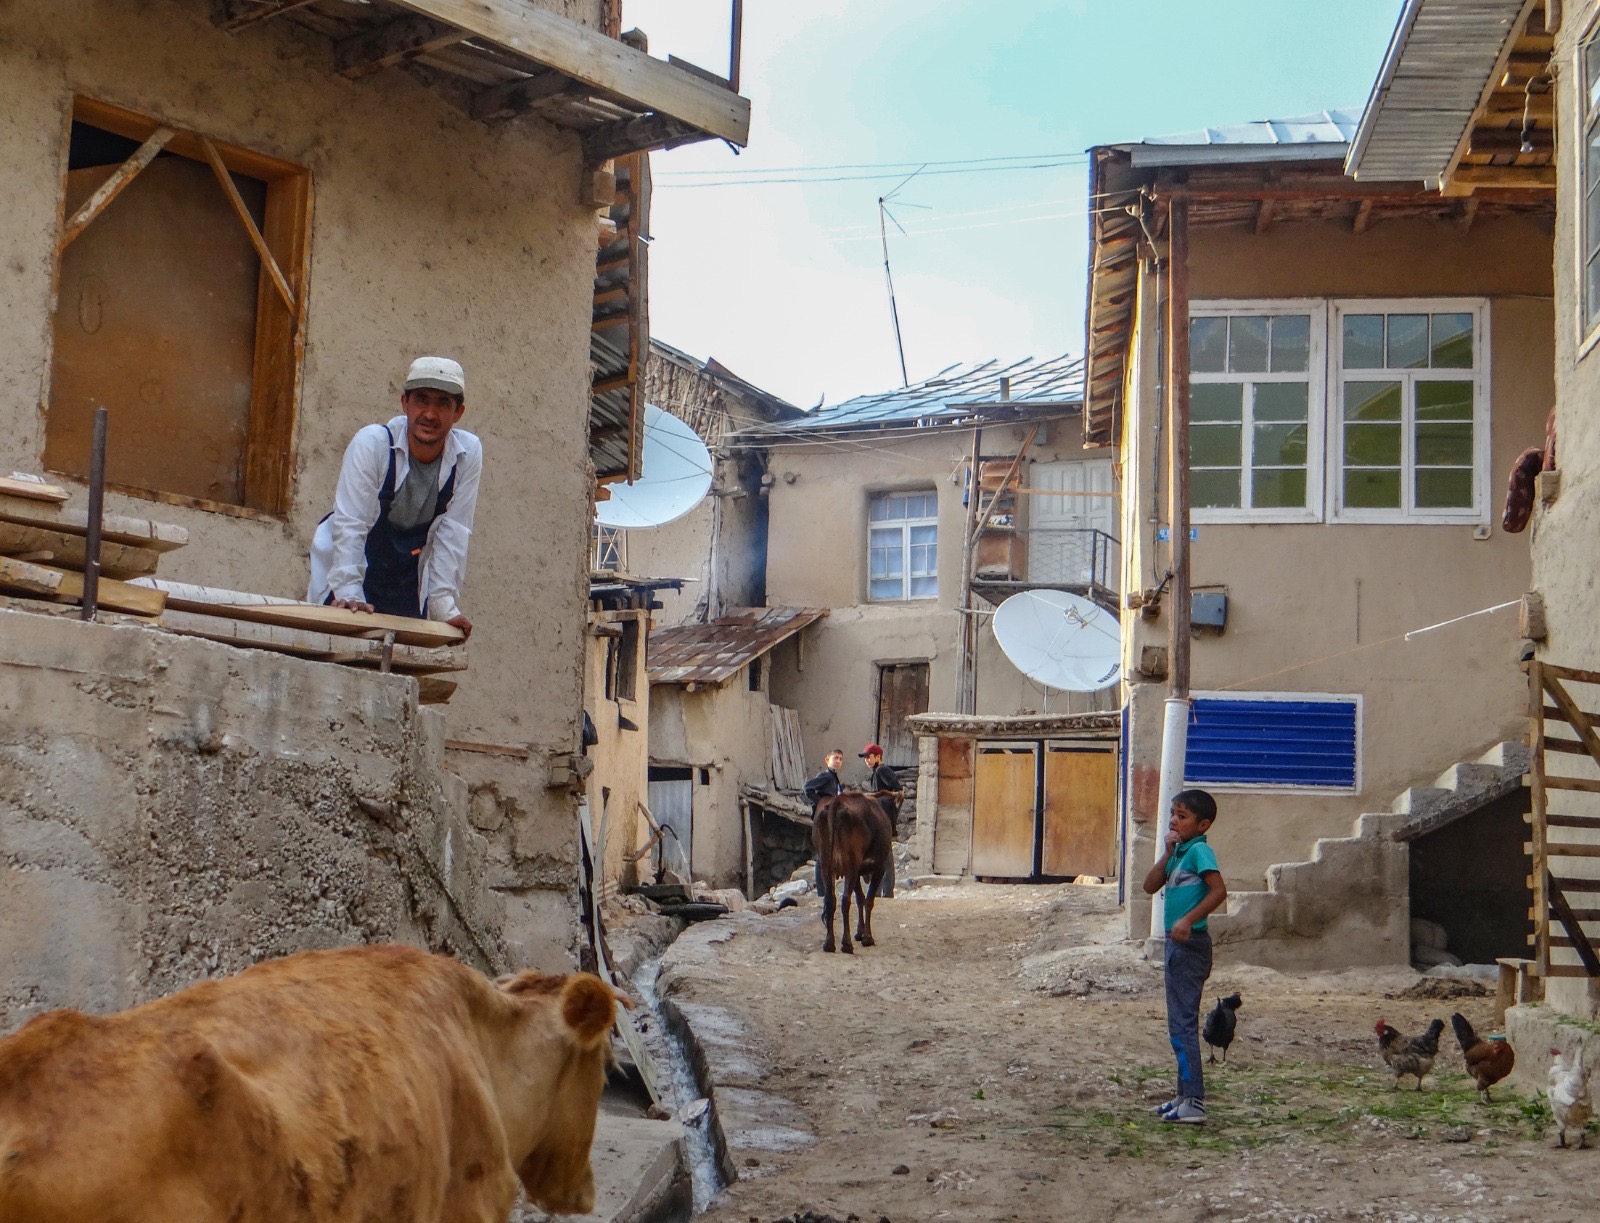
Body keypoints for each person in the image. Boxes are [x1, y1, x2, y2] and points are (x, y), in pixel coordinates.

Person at [307, 356, 481, 638]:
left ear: (458, 412)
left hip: (405, 581)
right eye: (422, 400)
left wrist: (444, 609)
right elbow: (351, 523)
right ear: (405, 403)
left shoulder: (467, 454)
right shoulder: (374, 444)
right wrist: (350, 594)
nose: (430, 414)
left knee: (399, 671)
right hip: (350, 575)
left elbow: (453, 532)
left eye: (443, 403)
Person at [1141, 788, 1228, 1125]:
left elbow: (1219, 891)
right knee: (1178, 1024)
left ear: (1203, 825)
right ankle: (1182, 1095)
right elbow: (1149, 886)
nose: (1174, 821)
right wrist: (1166, 853)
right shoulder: (1180, 854)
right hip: (1177, 946)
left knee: (1183, 1025)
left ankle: (1194, 1101)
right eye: (1172, 815)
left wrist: (1188, 920)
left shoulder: (1200, 853)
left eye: (1182, 816)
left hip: (1190, 946)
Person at [859, 744, 902, 898]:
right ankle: (882, 891)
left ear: (878, 757)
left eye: (868, 757)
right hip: (881, 819)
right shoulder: (877, 772)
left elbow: (897, 790)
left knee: (885, 856)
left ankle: (885, 892)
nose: (866, 760)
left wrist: (873, 797)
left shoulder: (882, 770)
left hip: (883, 819)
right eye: (865, 758)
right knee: (883, 855)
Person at [802, 749, 845, 897]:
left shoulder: (835, 779)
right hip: (824, 820)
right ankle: (822, 893)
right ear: (827, 760)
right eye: (835, 758)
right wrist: (820, 804)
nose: (838, 761)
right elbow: (808, 788)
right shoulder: (825, 776)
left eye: (840, 759)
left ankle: (828, 891)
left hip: (832, 820)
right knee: (822, 855)